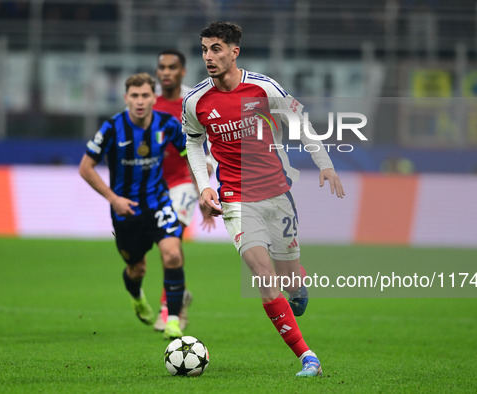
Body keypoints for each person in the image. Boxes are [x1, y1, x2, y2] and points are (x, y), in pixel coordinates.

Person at [182, 21, 345, 377]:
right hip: (235, 199)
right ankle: (308, 357)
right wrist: (204, 185)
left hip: (276, 195)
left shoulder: (264, 88)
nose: (208, 57)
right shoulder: (196, 100)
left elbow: (300, 123)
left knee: (290, 284)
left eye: (216, 49)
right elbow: (193, 142)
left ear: (234, 52)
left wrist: (326, 165)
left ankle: (298, 282)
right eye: (205, 49)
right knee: (263, 275)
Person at [79, 72, 188, 340]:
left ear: (154, 98)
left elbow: (190, 152)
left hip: (159, 202)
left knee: (173, 254)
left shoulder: (168, 124)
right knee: (136, 268)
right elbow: (86, 167)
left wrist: (204, 178)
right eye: (135, 96)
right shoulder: (112, 127)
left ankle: (172, 319)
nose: (140, 101)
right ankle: (137, 295)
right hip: (126, 211)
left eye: (145, 96)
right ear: (126, 98)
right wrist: (113, 198)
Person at [152, 48, 215, 332]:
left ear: (182, 71)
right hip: (150, 186)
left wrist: (206, 175)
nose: (166, 72)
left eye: (171, 67)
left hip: (182, 182)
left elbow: (208, 138)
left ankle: (169, 308)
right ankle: (181, 293)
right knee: (157, 248)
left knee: (172, 241)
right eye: (162, 67)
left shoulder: (192, 100)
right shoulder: (145, 100)